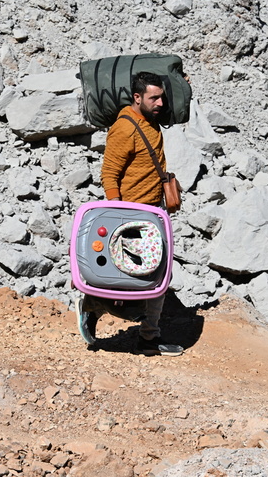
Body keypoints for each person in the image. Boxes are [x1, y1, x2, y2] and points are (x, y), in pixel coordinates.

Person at [75, 71, 184, 357]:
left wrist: (181, 83)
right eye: (154, 98)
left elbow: (178, 104)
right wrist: (116, 214)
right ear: (137, 98)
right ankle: (94, 304)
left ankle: (148, 337)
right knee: (144, 275)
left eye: (162, 96)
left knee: (159, 274)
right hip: (129, 217)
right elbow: (109, 174)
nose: (161, 102)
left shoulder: (152, 120)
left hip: (152, 214)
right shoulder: (125, 128)